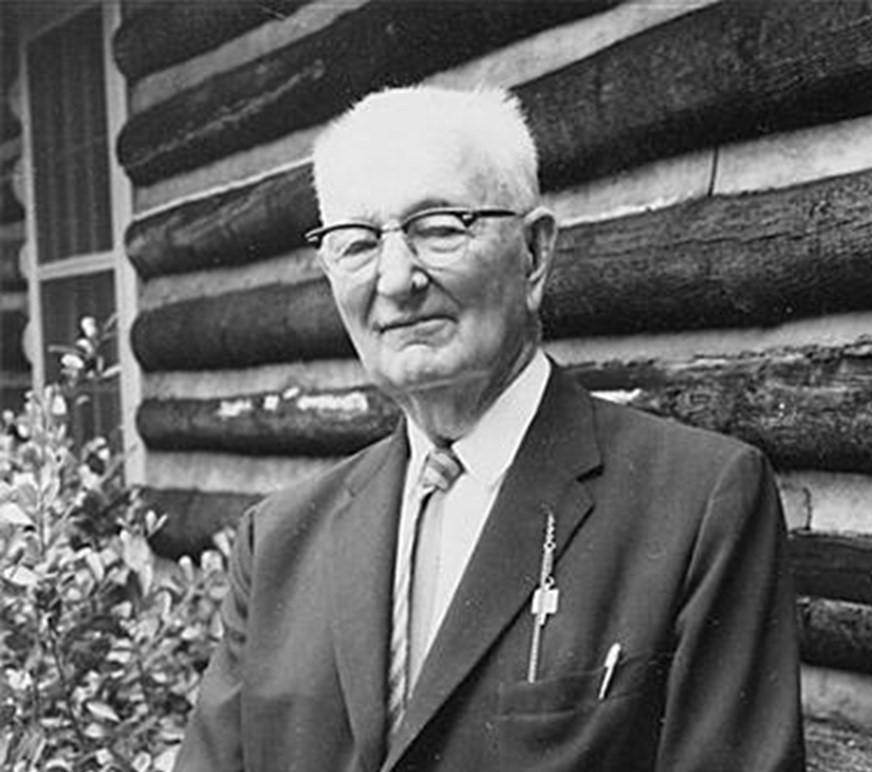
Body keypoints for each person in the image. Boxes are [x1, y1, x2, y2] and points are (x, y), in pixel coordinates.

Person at [175, 86, 805, 771]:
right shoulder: (278, 543)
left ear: (533, 253)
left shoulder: (697, 503)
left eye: (441, 228)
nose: (396, 280)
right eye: (356, 243)